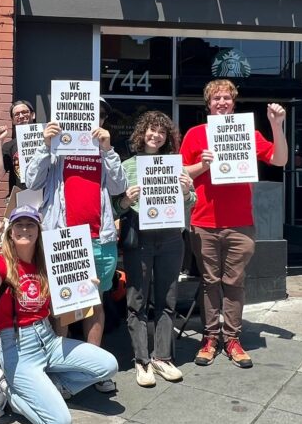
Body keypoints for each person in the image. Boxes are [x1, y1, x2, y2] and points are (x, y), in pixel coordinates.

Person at [0, 206, 118, 424]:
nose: (25, 229)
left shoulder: (46, 263)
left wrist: (84, 289)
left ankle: (54, 387)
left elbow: (57, 310)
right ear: (11, 231)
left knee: (108, 365)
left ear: (38, 230)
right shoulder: (2, 261)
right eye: (19, 224)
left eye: (31, 224)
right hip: (18, 347)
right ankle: (7, 389)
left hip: (49, 340)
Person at [180, 80, 288, 369]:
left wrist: (276, 125)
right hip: (203, 222)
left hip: (241, 224)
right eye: (216, 98)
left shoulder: (248, 133)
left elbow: (279, 159)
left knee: (234, 283)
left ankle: (232, 339)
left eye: (227, 97)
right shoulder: (195, 134)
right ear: (208, 104)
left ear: (234, 102)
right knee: (209, 283)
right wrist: (202, 165)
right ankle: (210, 338)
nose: (222, 102)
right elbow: (179, 172)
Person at [25, 99, 127, 393]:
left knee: (95, 303)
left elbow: (119, 187)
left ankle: (95, 368)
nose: (93, 119)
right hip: (64, 239)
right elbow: (31, 180)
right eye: (88, 113)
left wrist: (108, 150)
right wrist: (45, 146)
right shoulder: (57, 149)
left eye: (100, 114)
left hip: (100, 239)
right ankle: (60, 367)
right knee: (63, 305)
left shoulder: (105, 150)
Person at [113, 111, 196, 387]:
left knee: (167, 298)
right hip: (140, 236)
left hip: (172, 237)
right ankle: (141, 360)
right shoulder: (127, 166)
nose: (156, 136)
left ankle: (162, 357)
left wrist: (185, 193)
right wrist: (125, 202)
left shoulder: (176, 165)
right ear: (142, 133)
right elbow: (113, 206)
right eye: (151, 130)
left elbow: (191, 202)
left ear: (166, 137)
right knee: (136, 299)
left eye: (161, 132)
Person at [0, 99, 36, 194]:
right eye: (16, 114)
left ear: (33, 115)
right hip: (21, 199)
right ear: (12, 120)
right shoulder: (9, 146)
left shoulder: (47, 140)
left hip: (47, 199)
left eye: (24, 112)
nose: (21, 116)